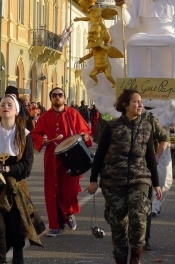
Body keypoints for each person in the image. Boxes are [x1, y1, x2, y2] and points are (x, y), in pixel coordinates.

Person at [88, 89, 162, 264]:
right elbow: (100, 154)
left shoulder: (147, 126)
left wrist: (156, 183)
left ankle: (136, 256)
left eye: (141, 101)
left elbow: (150, 156)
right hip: (113, 181)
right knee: (118, 224)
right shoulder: (112, 126)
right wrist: (93, 180)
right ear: (125, 105)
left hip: (140, 179)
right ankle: (120, 259)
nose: (140, 105)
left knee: (138, 218)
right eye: (135, 101)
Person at [30, 87, 92, 237]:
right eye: (54, 95)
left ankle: (69, 213)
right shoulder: (45, 116)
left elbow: (87, 132)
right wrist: (42, 141)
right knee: (52, 192)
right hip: (52, 157)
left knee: (69, 190)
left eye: (60, 95)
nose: (57, 97)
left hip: (71, 157)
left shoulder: (73, 114)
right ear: (51, 98)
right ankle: (55, 225)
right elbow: (35, 133)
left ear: (64, 98)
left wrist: (84, 136)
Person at [0, 94, 45, 263]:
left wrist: (7, 168)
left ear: (16, 111)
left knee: (15, 232)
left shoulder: (24, 135)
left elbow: (26, 167)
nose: (5, 106)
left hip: (16, 189)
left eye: (9, 105)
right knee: (0, 231)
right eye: (3, 104)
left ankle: (18, 258)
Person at [140, 109, 169, 251]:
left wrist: (157, 156)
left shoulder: (148, 118)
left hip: (145, 168)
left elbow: (164, 138)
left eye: (139, 102)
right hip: (123, 171)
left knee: (145, 204)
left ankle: (145, 239)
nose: (138, 105)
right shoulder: (118, 119)